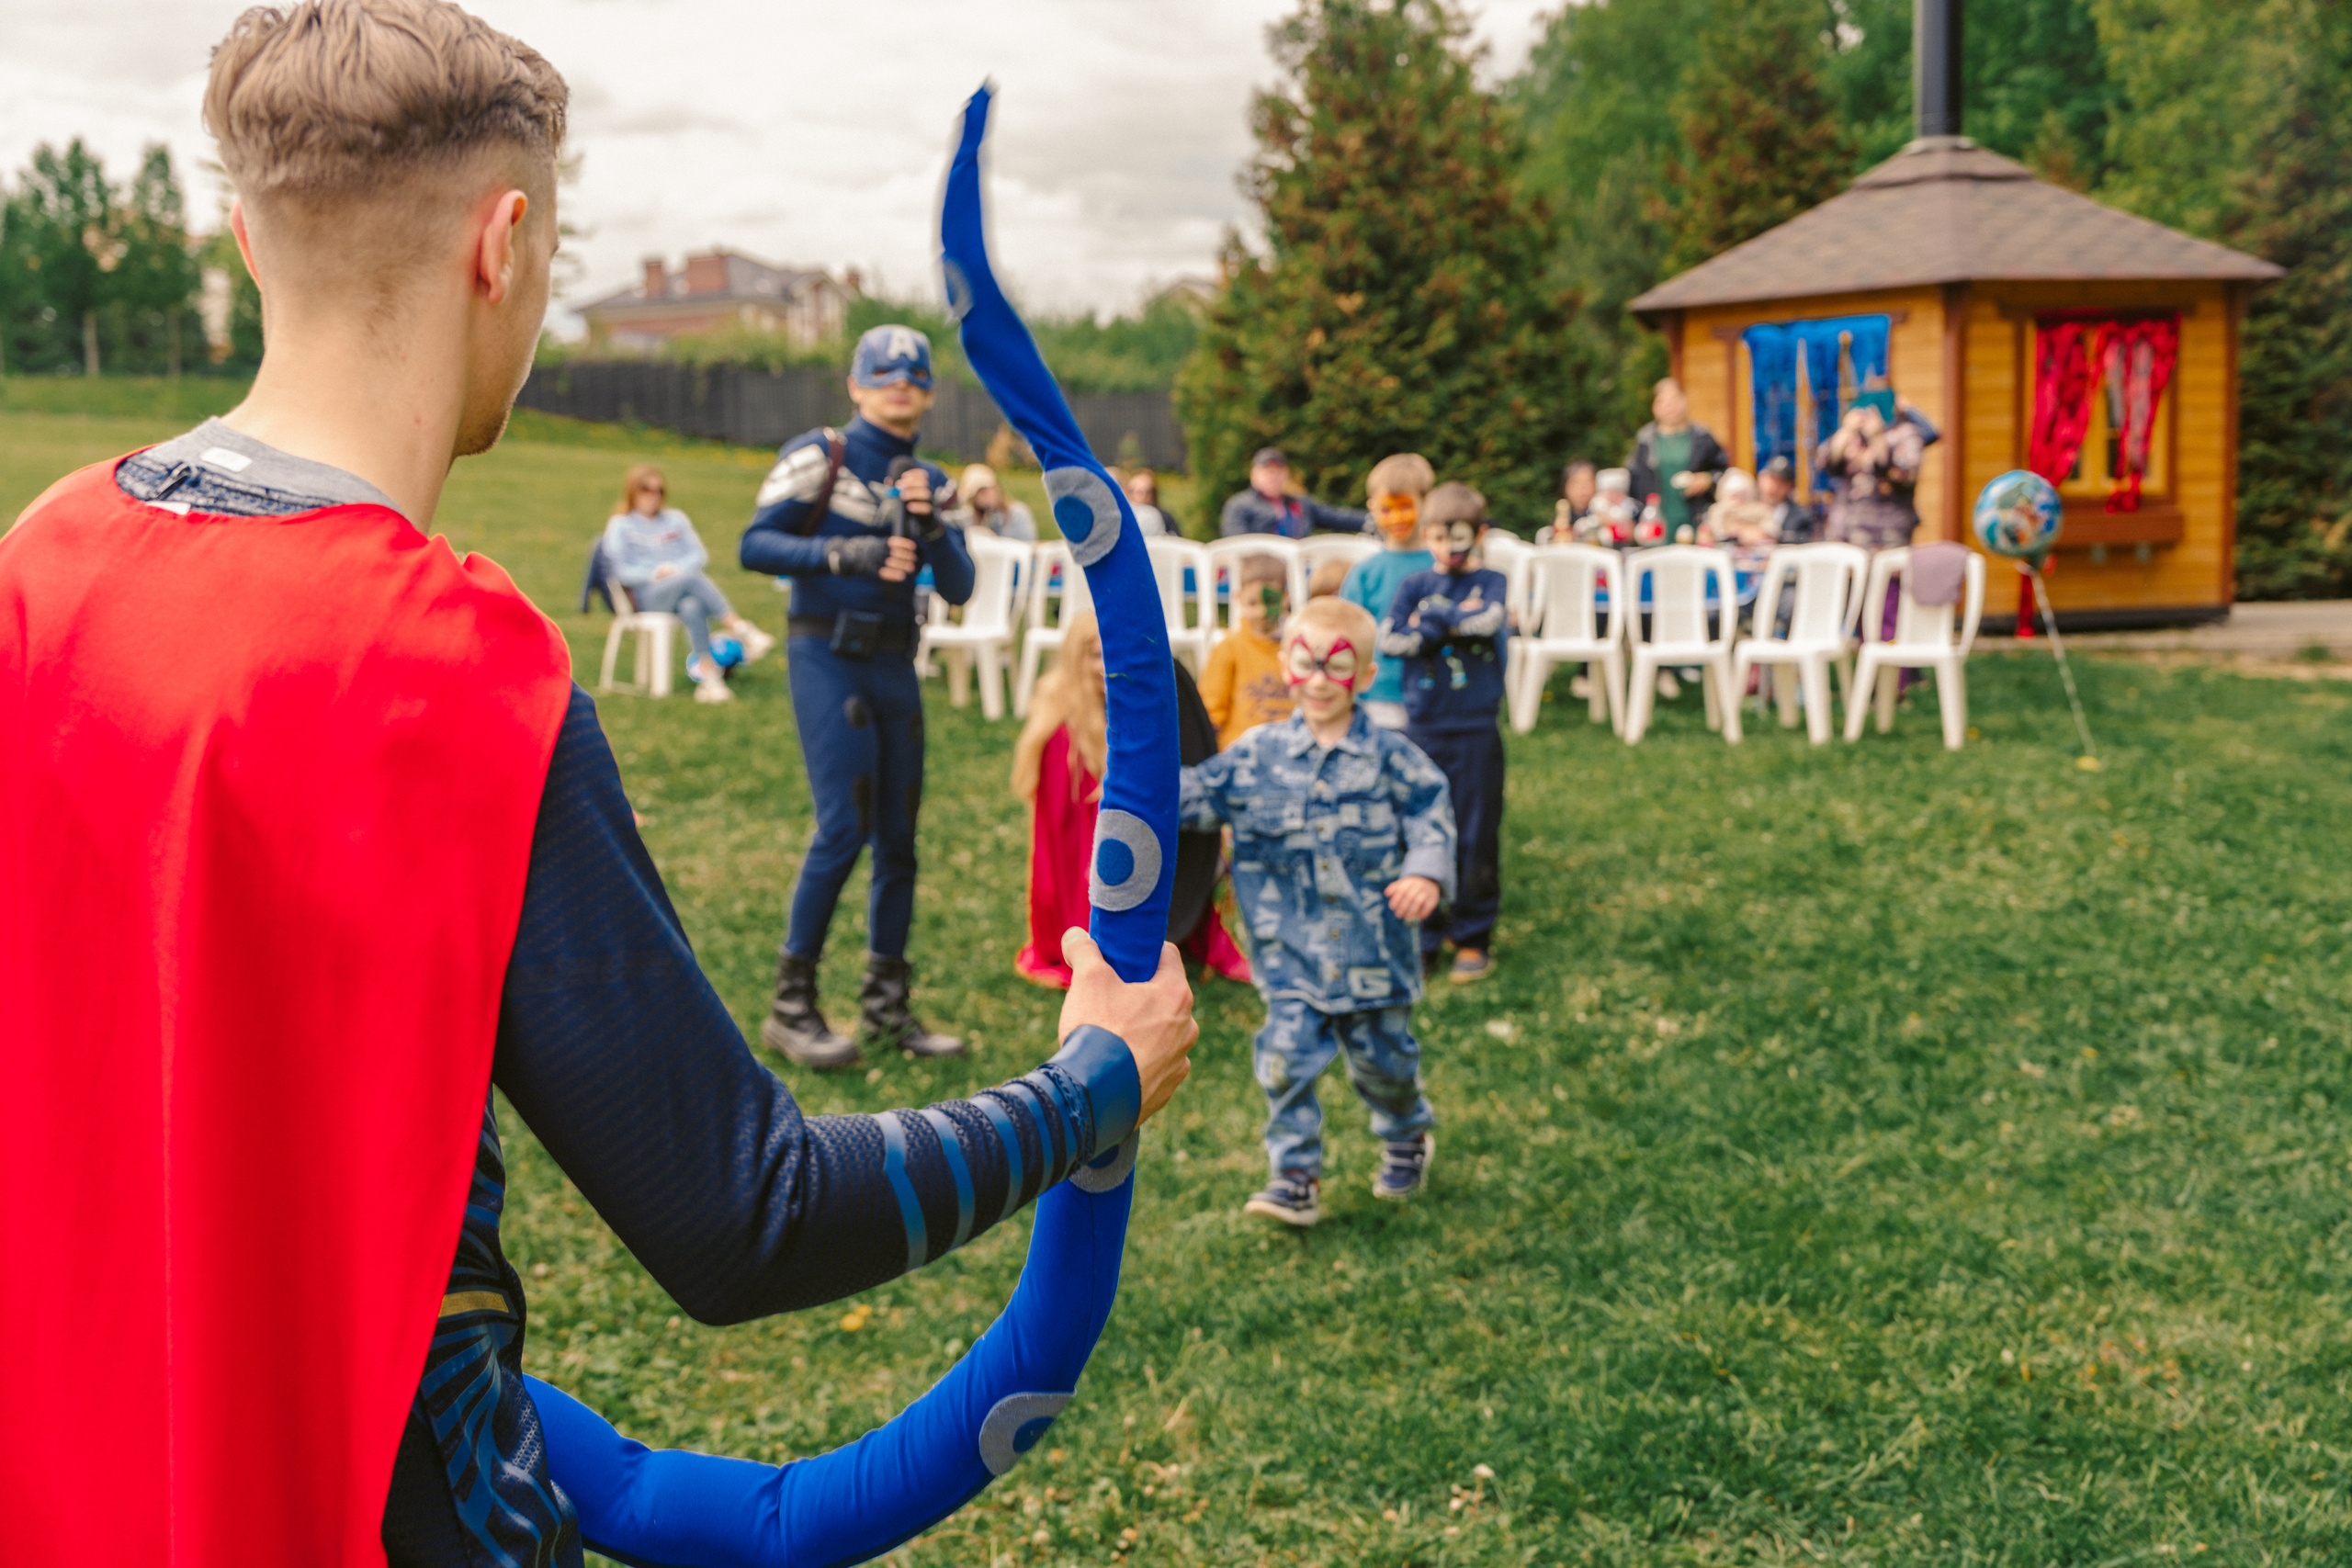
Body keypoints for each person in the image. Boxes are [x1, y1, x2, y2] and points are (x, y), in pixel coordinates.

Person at [0, 8, 1200, 1568]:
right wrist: (1089, 1085)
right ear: (505, 246)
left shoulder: (45, 558)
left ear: (243, 237)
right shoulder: (455, 675)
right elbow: (739, 1215)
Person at [741, 324, 975, 1069]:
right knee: (843, 827)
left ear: (930, 391)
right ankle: (791, 1006)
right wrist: (848, 550)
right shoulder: (819, 455)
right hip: (826, 654)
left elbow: (962, 586)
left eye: (912, 376)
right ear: (855, 385)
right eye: (882, 374)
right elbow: (757, 544)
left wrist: (933, 523)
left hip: (895, 663)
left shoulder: (930, 477)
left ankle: (886, 1006)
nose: (898, 384)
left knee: (899, 841)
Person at [1178, 596, 1455, 1225]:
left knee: (1385, 1065)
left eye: (1338, 666)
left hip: (1374, 955)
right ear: (1286, 666)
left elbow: (1430, 808)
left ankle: (1406, 1131)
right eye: (1308, 662)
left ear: (1363, 674)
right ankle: (1294, 1175)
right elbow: (1195, 796)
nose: (1322, 679)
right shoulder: (1255, 754)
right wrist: (1136, 789)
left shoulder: (1390, 755)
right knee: (1285, 1064)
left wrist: (1425, 870)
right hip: (1290, 956)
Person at [1012, 612, 1251, 987]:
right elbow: (1068, 840)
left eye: (1116, 653)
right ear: (1077, 659)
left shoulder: (1143, 706)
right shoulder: (1063, 732)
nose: (1109, 666)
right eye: (1096, 655)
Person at [1379, 482, 1511, 985]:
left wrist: (1434, 622)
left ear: (1477, 534)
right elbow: (1392, 639)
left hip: (1476, 727)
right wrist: (1443, 623)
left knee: (1476, 832)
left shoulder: (1493, 580)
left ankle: (1473, 934)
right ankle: (1425, 933)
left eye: (1456, 537)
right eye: (1435, 537)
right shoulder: (1413, 584)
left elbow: (1488, 622)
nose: (1446, 548)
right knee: (1421, 827)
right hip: (1424, 727)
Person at [602, 463, 775, 701]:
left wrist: (676, 570)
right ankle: (741, 629)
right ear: (632, 491)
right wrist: (655, 573)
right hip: (646, 595)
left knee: (691, 605)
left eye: (659, 491)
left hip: (679, 586)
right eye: (646, 489)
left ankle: (709, 680)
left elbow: (699, 554)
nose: (653, 496)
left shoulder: (675, 519)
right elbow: (620, 571)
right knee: (691, 580)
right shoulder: (620, 525)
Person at [1338, 451, 1435, 729]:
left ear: (1426, 503)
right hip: (1378, 692)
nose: (1396, 518)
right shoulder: (1366, 573)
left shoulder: (1440, 568)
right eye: (1385, 509)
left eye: (1405, 506)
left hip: (1433, 690)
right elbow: (1347, 632)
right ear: (1372, 508)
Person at [1816, 389, 1939, 550]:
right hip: (1843, 535)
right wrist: (1846, 430)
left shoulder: (1904, 433)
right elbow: (1824, 461)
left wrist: (1877, 437)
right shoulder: (1852, 435)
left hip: (1885, 536)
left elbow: (1903, 474)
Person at [1198, 552, 1295, 748]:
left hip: (1287, 749)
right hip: (1239, 751)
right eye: (1253, 603)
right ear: (1239, 598)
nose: (1261, 612)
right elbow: (1210, 711)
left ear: (1285, 598)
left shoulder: (1296, 646)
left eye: (1270, 602)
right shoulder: (1229, 647)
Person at [1625, 378, 1728, 545]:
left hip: (1699, 522)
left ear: (1685, 401)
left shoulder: (1703, 437)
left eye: (1675, 399)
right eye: (1662, 401)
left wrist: (1707, 479)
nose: (1670, 406)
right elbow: (1634, 485)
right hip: (1657, 526)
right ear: (1654, 407)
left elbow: (1723, 472)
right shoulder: (1645, 441)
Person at [1219, 446, 1367, 538]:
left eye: (1278, 470)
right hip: (1259, 571)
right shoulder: (1239, 504)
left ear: (1286, 475)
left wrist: (1373, 519)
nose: (1273, 475)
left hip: (1299, 567)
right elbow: (1236, 541)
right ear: (1254, 475)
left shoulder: (1300, 503)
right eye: (1267, 470)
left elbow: (1337, 516)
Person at [956, 461, 1037, 542]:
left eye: (988, 490)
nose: (987, 495)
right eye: (980, 493)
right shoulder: (972, 516)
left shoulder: (1017, 513)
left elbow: (1027, 546)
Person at [1536, 458, 1599, 544]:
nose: (1582, 489)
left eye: (1587, 482)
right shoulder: (1562, 516)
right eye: (1576, 483)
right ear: (1566, 488)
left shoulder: (1602, 514)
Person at [1758, 454, 1817, 544]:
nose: (1774, 487)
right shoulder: (1748, 508)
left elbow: (1803, 540)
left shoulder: (1800, 516)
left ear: (1789, 486)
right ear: (1762, 478)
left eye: (1780, 482)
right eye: (1772, 479)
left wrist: (1774, 537)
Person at [1121, 466, 1172, 536]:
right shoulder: (1121, 514)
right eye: (1137, 491)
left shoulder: (1163, 517)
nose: (1142, 496)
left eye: (1147, 491)